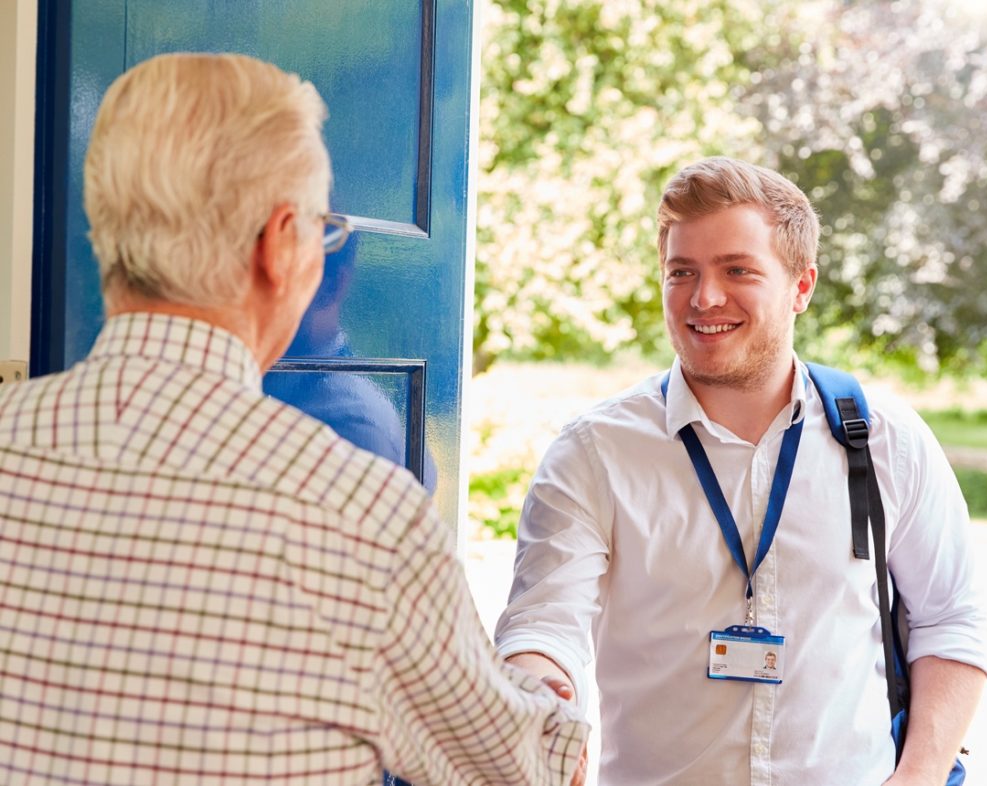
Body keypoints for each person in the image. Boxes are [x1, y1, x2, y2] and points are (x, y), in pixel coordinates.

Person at [0, 52, 587, 786]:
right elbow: (522, 770)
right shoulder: (359, 517)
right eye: (322, 227)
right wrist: (541, 698)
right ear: (280, 245)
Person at [495, 157, 987, 785]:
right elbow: (544, 621)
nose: (704, 298)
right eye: (682, 272)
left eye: (737, 270)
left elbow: (951, 619)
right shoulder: (594, 452)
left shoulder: (890, 442)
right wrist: (542, 696)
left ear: (801, 287)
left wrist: (916, 777)